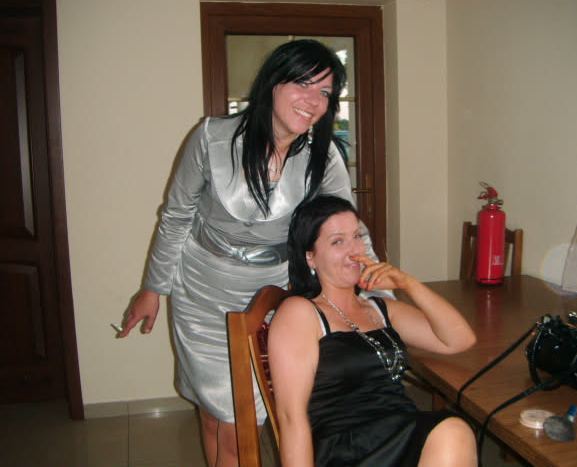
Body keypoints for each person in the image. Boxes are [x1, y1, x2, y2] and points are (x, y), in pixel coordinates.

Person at [117, 40, 383, 467]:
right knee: (213, 410)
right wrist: (153, 288)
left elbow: (350, 231)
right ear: (273, 82)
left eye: (324, 92)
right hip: (200, 289)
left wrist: (378, 292)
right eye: (302, 84)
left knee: (242, 421)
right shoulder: (211, 137)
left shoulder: (324, 156)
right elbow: (177, 216)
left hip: (272, 291)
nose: (313, 101)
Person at [269, 195, 478, 467]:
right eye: (338, 241)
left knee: (453, 432)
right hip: (347, 450)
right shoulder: (300, 313)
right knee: (452, 432)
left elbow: (459, 340)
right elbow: (291, 417)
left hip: (399, 429)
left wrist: (408, 284)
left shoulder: (379, 308)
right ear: (311, 257)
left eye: (357, 236)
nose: (354, 250)